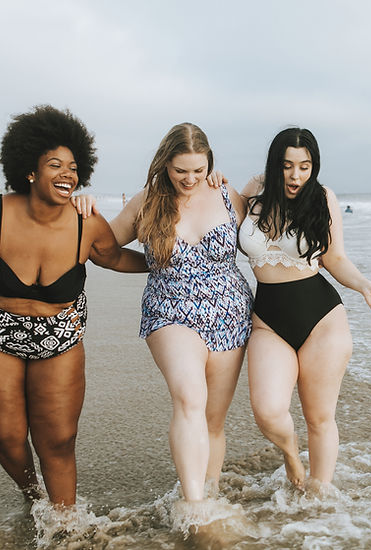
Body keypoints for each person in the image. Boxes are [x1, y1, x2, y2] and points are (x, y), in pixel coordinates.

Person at [0, 105, 148, 509]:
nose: (67, 174)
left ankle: (64, 523)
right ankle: (35, 498)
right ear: (30, 171)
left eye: (73, 167)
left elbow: (116, 258)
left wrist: (164, 261)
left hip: (59, 338)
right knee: (7, 438)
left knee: (59, 439)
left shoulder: (87, 225)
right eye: (55, 165)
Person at [238, 127, 371, 494]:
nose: (295, 176)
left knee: (320, 418)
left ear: (314, 166)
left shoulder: (322, 198)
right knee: (267, 410)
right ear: (275, 165)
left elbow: (335, 257)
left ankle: (320, 498)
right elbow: (212, 202)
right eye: (287, 166)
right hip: (268, 324)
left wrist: (365, 287)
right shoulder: (253, 195)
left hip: (321, 320)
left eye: (305, 167)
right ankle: (292, 454)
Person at [106, 123, 253, 504]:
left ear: (210, 164)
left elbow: (270, 224)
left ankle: (212, 491)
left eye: (198, 170)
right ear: (164, 165)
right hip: (169, 309)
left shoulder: (227, 195)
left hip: (229, 313)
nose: (190, 179)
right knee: (189, 397)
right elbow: (103, 247)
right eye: (180, 170)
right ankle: (194, 507)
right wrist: (153, 265)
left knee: (213, 421)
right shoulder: (147, 201)